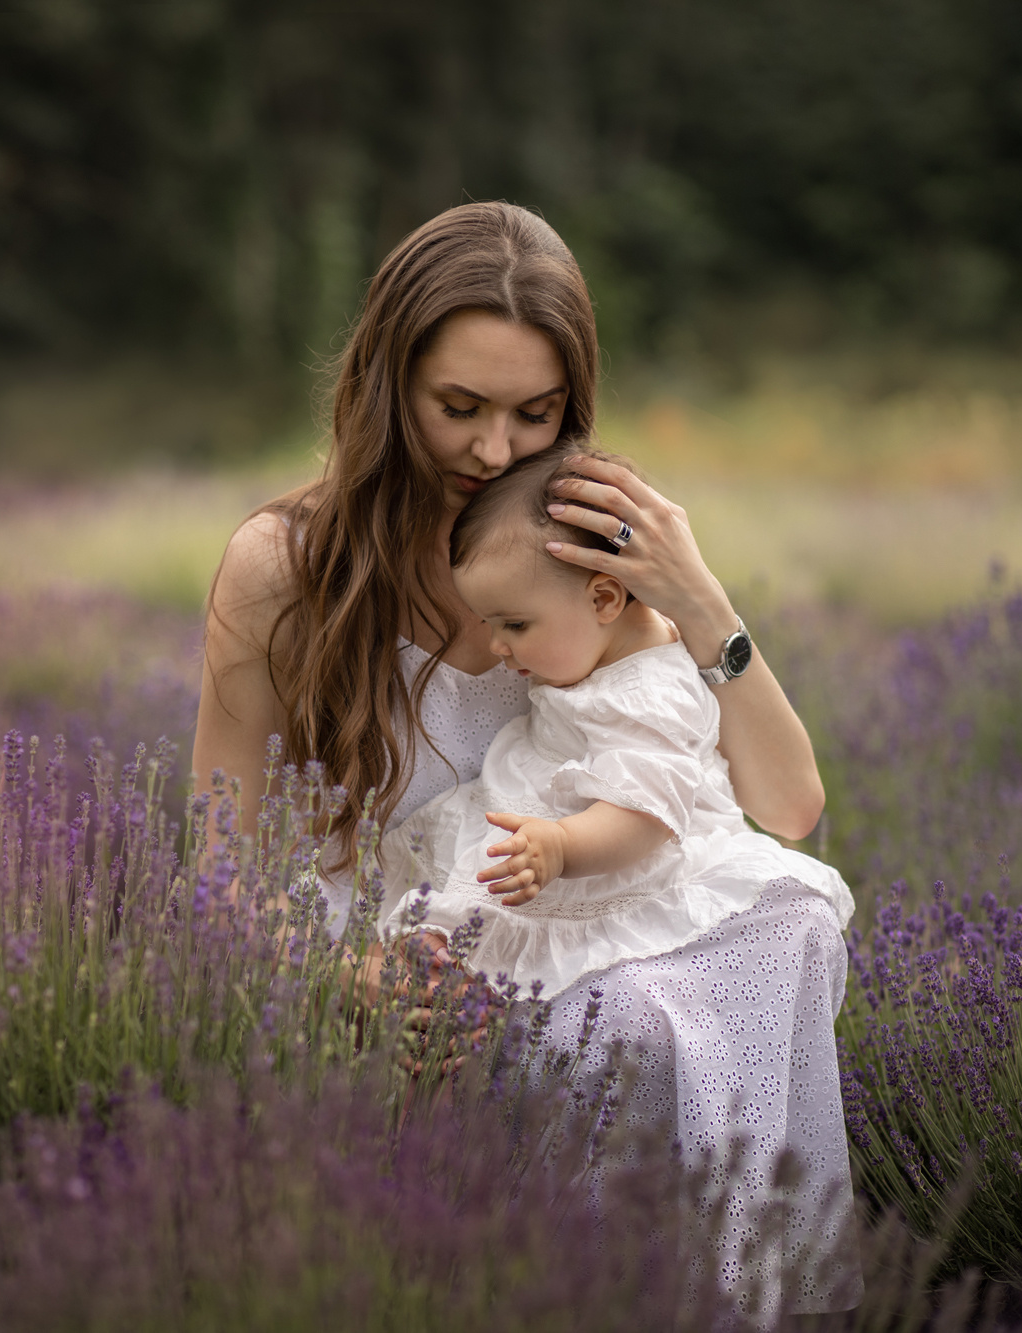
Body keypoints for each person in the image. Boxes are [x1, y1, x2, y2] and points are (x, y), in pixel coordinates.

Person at [195, 200, 858, 1314]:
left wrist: (695, 596)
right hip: (386, 962)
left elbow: (787, 809)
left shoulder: (579, 565)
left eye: (533, 414)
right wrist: (336, 975)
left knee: (689, 999)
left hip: (575, 948)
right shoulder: (281, 567)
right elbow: (219, 861)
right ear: (382, 385)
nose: (494, 450)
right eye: (456, 407)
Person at [376, 444, 854, 1003]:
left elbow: (643, 812)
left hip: (613, 857)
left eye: (514, 624)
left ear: (604, 598)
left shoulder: (649, 692)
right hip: (557, 833)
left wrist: (561, 845)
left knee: (562, 946)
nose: (497, 644)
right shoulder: (588, 649)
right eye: (489, 622)